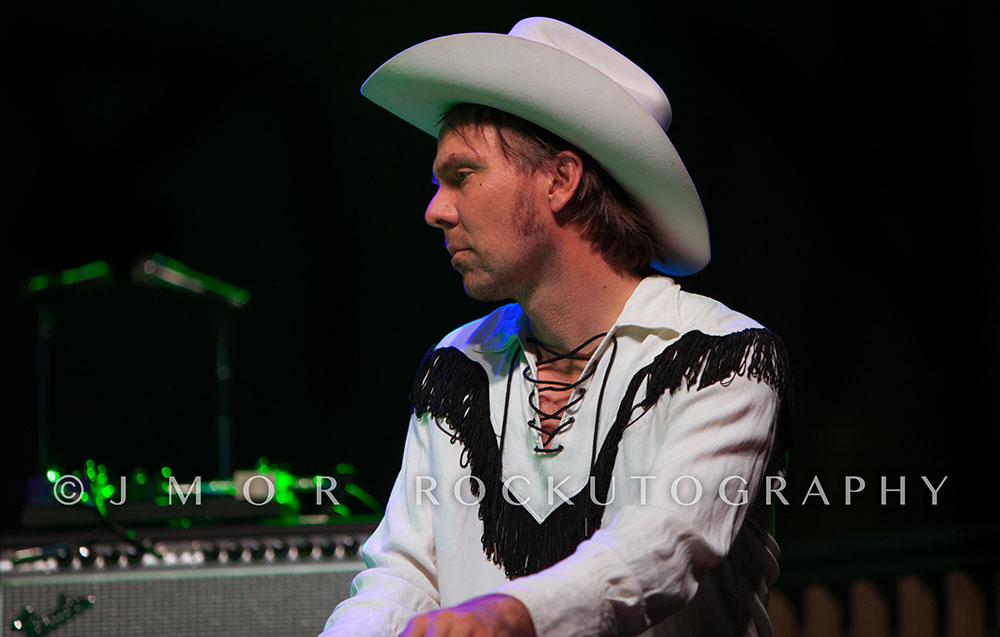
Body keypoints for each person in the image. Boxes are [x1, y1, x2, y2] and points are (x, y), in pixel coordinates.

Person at [321, 17, 791, 637]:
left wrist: (507, 616)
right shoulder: (456, 362)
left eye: (461, 176)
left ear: (560, 180)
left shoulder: (724, 357)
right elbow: (406, 572)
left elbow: (660, 548)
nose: (435, 210)